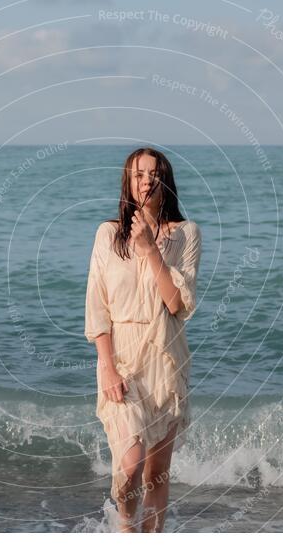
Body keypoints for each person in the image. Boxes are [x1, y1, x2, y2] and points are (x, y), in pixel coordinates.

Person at [84, 147, 202, 533]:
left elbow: (176, 303)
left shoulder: (185, 234)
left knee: (156, 472)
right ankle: (127, 530)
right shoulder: (108, 235)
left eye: (153, 174)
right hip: (122, 358)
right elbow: (97, 307)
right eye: (138, 174)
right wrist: (107, 366)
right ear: (128, 182)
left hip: (166, 359)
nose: (146, 180)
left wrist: (151, 249)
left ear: (165, 181)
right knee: (130, 466)